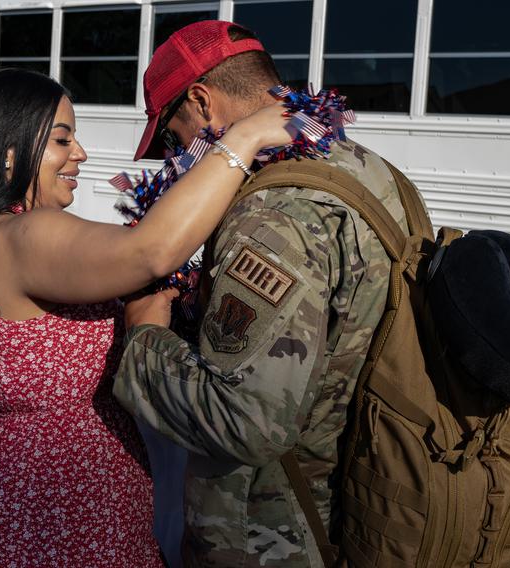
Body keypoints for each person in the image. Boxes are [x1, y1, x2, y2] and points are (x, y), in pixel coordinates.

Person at [0, 68, 292, 566]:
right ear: (9, 152)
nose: (80, 153)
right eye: (63, 139)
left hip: (70, 500)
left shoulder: (4, 233)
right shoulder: (22, 236)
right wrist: (246, 135)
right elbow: (152, 252)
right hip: (52, 512)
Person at [113, 21, 420, 567]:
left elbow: (247, 421)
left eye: (171, 133)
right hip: (355, 504)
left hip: (274, 535)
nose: (173, 154)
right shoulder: (370, 169)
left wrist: (144, 336)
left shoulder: (271, 217)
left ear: (203, 103)